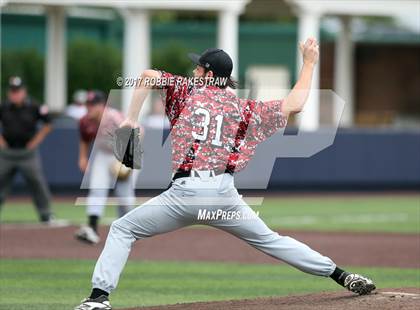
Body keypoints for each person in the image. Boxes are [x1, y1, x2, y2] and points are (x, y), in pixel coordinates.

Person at [75, 40, 375, 310]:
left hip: (184, 195)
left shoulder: (185, 90)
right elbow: (295, 104)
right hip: (225, 197)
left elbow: (146, 76)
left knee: (122, 230)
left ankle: (98, 298)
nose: (194, 71)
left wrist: (131, 118)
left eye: (198, 67)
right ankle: (342, 275)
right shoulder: (245, 107)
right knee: (272, 240)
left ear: (207, 74)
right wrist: (309, 63)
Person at [75, 90, 136, 245]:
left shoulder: (114, 117)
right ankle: (92, 229)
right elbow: (84, 139)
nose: (89, 108)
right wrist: (83, 157)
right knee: (97, 189)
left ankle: (131, 231)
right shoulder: (84, 120)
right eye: (88, 104)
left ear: (102, 105)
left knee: (124, 197)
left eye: (93, 105)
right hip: (103, 155)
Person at [0, 76, 55, 223]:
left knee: (37, 182)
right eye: (12, 91)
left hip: (27, 154)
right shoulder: (4, 106)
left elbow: (49, 124)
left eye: (17, 91)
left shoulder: (35, 106)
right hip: (7, 153)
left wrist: (35, 141)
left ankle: (46, 213)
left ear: (24, 92)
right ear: (8, 93)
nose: (15, 94)